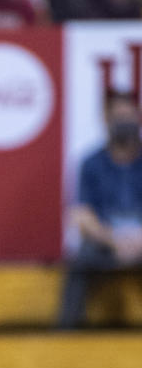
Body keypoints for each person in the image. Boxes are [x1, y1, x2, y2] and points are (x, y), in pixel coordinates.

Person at [58, 89, 142, 328]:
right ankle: (64, 335)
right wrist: (114, 240)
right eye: (118, 117)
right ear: (106, 120)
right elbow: (81, 215)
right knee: (79, 260)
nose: (124, 122)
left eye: (129, 115)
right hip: (107, 242)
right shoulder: (91, 163)